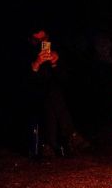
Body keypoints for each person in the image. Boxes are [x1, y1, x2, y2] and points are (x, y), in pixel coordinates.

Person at [28, 28, 86, 157]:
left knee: (52, 96)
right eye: (36, 40)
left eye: (43, 40)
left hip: (52, 94)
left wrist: (55, 63)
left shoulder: (56, 51)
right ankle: (71, 134)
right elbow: (25, 81)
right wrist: (36, 64)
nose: (40, 43)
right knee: (52, 96)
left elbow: (65, 80)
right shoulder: (28, 53)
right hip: (32, 93)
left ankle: (49, 144)